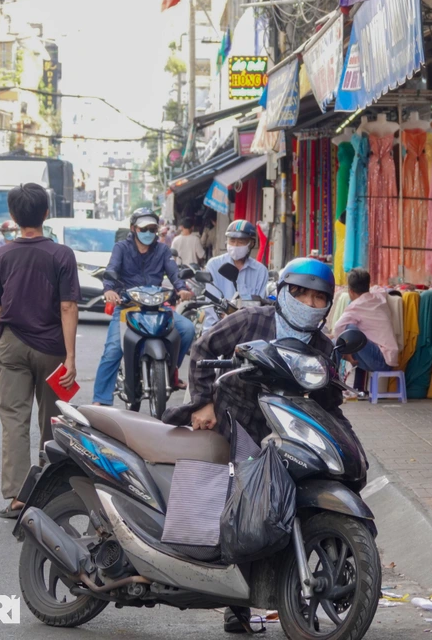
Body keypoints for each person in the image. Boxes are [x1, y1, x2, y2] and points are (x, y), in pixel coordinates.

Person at [163, 257, 347, 634]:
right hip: (237, 418)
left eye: (318, 298)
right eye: (301, 294)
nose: (309, 304)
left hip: (288, 431)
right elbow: (202, 349)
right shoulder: (252, 320)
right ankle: (236, 605)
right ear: (284, 293)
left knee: (294, 502)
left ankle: (293, 587)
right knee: (242, 505)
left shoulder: (322, 346)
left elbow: (330, 400)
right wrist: (203, 402)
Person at [0, 183, 80, 519]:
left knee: (14, 421)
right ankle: (49, 494)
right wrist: (70, 356)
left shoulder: (1, 255)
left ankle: (17, 497)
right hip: (53, 347)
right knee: (53, 420)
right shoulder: (62, 254)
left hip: (12, 343)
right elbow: (68, 306)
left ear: (13, 217)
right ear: (46, 213)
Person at [92, 208, 196, 405]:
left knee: (187, 329)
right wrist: (109, 290)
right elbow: (111, 270)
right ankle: (100, 399)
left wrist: (182, 288)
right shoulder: (121, 248)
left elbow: (174, 273)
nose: (148, 233)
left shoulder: (163, 250)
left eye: (152, 229)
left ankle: (171, 371)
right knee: (113, 350)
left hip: (157, 308)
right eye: (144, 229)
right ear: (133, 229)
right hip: (127, 307)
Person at [333, 268, 399, 372]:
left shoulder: (355, 307)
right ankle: (336, 374)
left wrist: (346, 352)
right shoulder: (378, 296)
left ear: (350, 291)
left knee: (347, 331)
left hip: (380, 362)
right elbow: (378, 288)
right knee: (338, 340)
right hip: (388, 359)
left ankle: (333, 375)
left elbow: (337, 328)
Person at [205, 220, 269, 302]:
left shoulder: (260, 271)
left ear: (251, 243)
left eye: (241, 241)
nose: (235, 245)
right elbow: (212, 302)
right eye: (232, 241)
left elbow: (260, 304)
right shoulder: (214, 265)